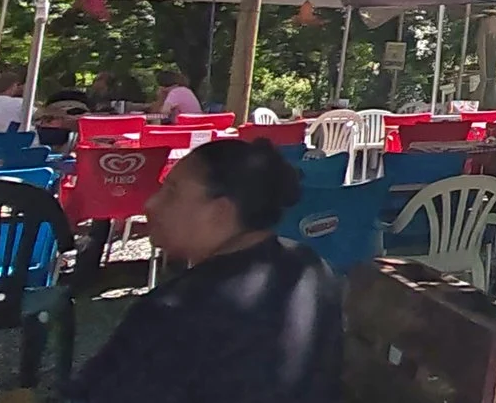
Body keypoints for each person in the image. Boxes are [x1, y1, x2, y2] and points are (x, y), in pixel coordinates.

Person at [64, 138, 342, 403]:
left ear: (220, 211)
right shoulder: (312, 267)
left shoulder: (175, 310)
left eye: (171, 192)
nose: (150, 204)